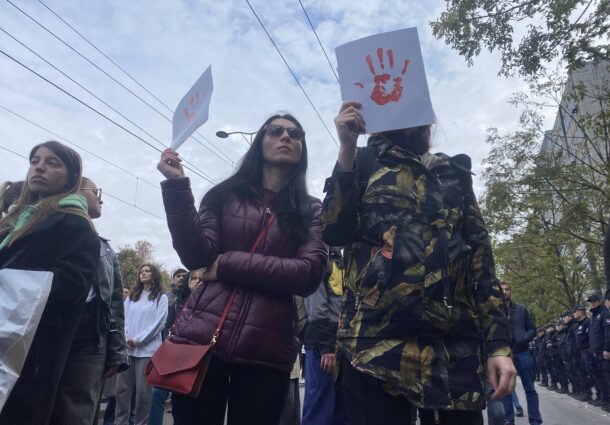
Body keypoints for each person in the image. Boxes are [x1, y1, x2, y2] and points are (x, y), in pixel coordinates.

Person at [320, 102, 516, 425]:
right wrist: (346, 148)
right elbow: (333, 231)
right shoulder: (363, 164)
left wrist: (499, 346)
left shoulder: (453, 174)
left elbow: (481, 263)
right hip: (373, 351)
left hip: (454, 354)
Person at [157, 113, 328, 425]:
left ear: (302, 148)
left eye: (295, 133)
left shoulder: (313, 210)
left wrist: (226, 264)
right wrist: (177, 186)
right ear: (260, 141)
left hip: (267, 351)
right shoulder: (223, 195)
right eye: (275, 131)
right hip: (199, 344)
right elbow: (196, 255)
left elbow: (307, 274)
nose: (286, 137)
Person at [0, 141, 100, 425]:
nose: (39, 166)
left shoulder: (75, 225)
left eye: (53, 162)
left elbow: (71, 285)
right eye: (34, 160)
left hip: (30, 354)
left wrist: (9, 284)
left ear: (71, 178)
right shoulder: (11, 223)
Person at [50, 177, 129, 424]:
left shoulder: (105, 249)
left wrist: (116, 352)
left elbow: (114, 305)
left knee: (80, 407)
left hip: (91, 338)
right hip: (51, 329)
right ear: (75, 191)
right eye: (96, 192)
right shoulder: (49, 230)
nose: (101, 198)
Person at [148, 268, 204, 425]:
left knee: (186, 401)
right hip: (174, 355)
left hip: (197, 359)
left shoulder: (211, 303)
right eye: (194, 278)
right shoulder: (175, 303)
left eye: (201, 279)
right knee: (158, 392)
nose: (198, 281)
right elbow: (166, 328)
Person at [115, 263, 168, 425]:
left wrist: (137, 340)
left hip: (147, 351)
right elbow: (122, 318)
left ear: (154, 275)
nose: (143, 273)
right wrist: (125, 338)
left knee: (144, 395)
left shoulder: (161, 297)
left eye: (147, 271)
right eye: (141, 271)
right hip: (128, 350)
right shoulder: (132, 296)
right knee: (122, 392)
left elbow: (158, 324)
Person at [301, 246, 348, 425]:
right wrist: (326, 348)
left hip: (342, 347)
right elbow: (316, 310)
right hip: (323, 349)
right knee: (320, 409)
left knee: (342, 410)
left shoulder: (342, 261)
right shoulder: (318, 260)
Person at [499, 281, 542, 425]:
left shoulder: (521, 309)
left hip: (522, 353)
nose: (504, 292)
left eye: (507, 289)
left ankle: (535, 420)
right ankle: (509, 421)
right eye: (502, 289)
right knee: (505, 390)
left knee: (530, 388)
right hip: (503, 356)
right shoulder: (494, 310)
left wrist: (524, 338)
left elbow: (532, 329)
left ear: (511, 291)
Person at [588, 293, 610, 410]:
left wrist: (607, 349)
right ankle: (605, 399)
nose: (591, 303)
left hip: (604, 352)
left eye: (593, 301)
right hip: (597, 353)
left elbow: (608, 333)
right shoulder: (595, 317)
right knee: (601, 377)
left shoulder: (604, 314)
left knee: (607, 377)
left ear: (599, 302)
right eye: (590, 302)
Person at [574, 305, 596, 402]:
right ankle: (587, 393)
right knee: (584, 373)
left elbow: (590, 338)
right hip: (581, 352)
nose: (574, 314)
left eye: (575, 312)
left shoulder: (587, 322)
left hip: (588, 351)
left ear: (580, 312)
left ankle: (601, 396)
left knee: (593, 373)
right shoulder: (580, 324)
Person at [162, 268, 187, 338]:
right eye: (178, 276)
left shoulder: (192, 296)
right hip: (166, 334)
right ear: (173, 280)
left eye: (184, 276)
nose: (181, 278)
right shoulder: (165, 297)